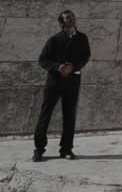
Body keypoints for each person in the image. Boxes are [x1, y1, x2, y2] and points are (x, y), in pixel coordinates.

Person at [33, 9, 90, 161]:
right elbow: (42, 59)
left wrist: (74, 67)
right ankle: (39, 149)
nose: (71, 19)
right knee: (45, 115)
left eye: (72, 16)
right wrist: (58, 67)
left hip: (72, 82)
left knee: (69, 116)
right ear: (61, 22)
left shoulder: (82, 38)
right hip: (54, 82)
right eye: (67, 18)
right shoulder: (54, 40)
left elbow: (86, 57)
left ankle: (66, 149)